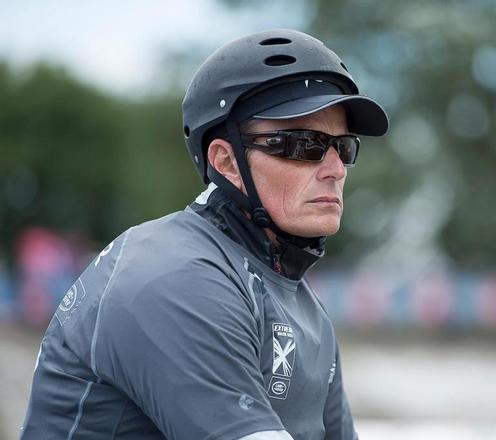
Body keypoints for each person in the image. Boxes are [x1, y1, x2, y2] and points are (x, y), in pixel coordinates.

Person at [20, 28, 388, 440]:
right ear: (226, 162)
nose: (336, 169)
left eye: (345, 147)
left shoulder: (303, 305)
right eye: (305, 144)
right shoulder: (172, 276)